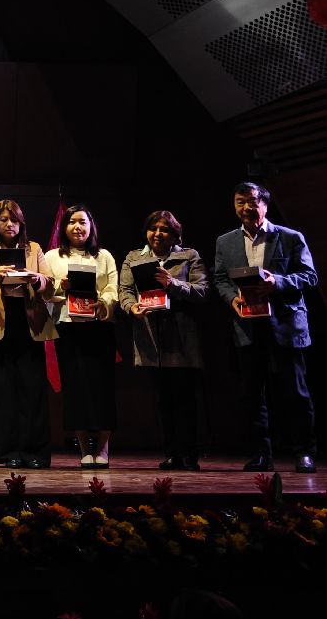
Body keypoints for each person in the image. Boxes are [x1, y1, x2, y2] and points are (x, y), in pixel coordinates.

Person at [213, 181, 317, 473]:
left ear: (265, 205)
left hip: (285, 324)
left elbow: (309, 276)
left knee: (296, 392)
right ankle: (261, 454)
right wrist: (232, 299)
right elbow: (221, 278)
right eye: (240, 202)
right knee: (251, 394)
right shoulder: (225, 241)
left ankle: (304, 452)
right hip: (247, 324)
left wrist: (277, 282)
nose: (246, 207)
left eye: (252, 201)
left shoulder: (290, 237)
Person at [0, 199, 55, 470]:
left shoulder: (34, 248)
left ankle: (35, 452)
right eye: (4, 220)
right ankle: (7, 453)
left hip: (28, 323)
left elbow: (50, 284)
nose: (9, 225)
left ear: (21, 223)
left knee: (33, 390)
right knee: (0, 391)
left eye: (14, 220)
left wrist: (37, 279)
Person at [119, 209, 206, 471]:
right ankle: (171, 453)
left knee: (184, 399)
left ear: (175, 234)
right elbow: (125, 291)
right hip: (150, 337)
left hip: (181, 338)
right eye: (153, 228)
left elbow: (202, 290)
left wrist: (173, 284)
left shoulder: (189, 255)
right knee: (162, 400)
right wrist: (131, 307)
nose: (157, 234)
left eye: (164, 229)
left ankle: (189, 455)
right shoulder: (134, 257)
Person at [45, 203, 120, 468]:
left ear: (91, 227)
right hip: (68, 327)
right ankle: (84, 449)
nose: (77, 227)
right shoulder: (52, 257)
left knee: (102, 388)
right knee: (75, 388)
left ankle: (103, 448)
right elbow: (45, 293)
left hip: (99, 327)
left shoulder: (104, 256)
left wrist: (104, 302)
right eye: (72, 222)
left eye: (82, 222)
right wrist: (60, 286)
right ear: (64, 227)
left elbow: (113, 288)